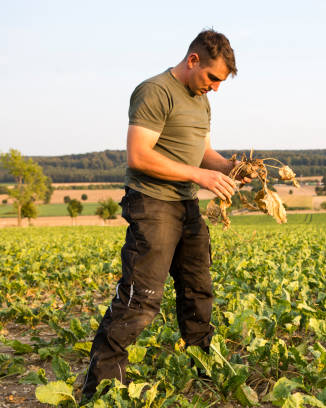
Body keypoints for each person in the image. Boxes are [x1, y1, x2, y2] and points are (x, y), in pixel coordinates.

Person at [82, 29, 246, 399]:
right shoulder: (154, 91)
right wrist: (197, 175)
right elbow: (139, 155)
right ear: (193, 61)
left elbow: (204, 154)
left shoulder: (201, 100)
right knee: (140, 299)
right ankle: (101, 393)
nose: (216, 88)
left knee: (198, 290)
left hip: (186, 205)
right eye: (213, 78)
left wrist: (232, 167)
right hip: (153, 204)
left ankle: (202, 371)